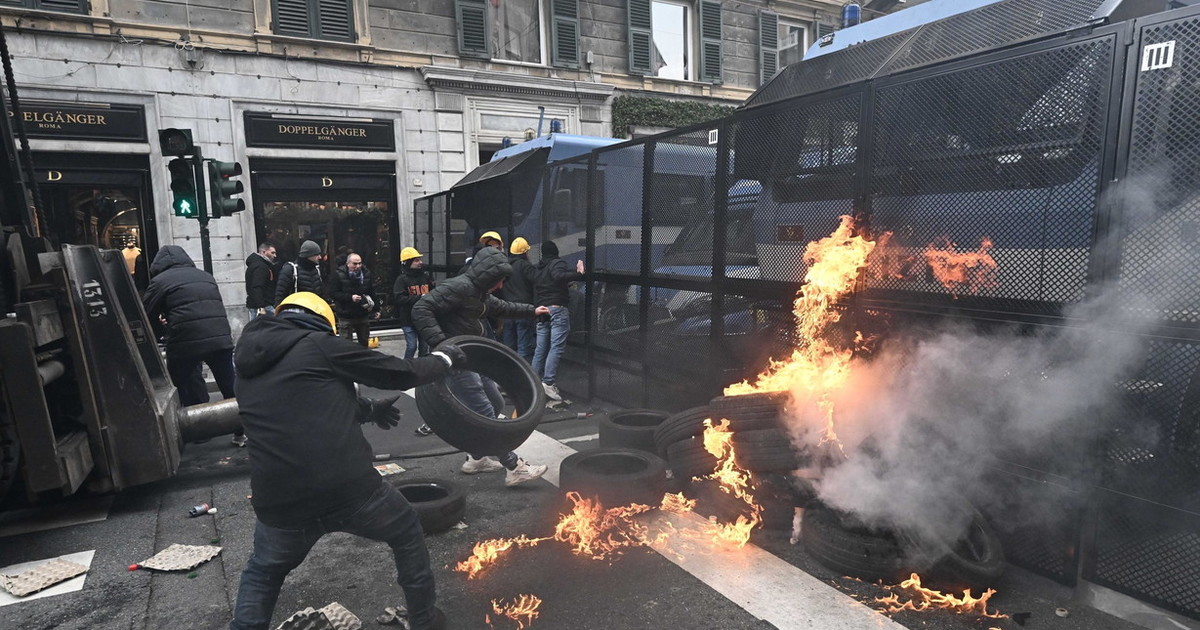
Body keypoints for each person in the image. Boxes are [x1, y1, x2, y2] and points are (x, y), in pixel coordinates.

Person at [229, 292, 465, 630]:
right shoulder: (318, 344)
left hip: (280, 502)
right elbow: (396, 372)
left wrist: (369, 410)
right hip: (348, 489)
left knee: (263, 573)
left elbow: (304, 403)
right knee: (405, 530)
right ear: (322, 322)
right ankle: (424, 620)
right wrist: (444, 360)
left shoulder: (245, 366)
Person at [411, 246, 551, 486]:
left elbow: (503, 307)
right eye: (499, 280)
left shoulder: (479, 293)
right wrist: (441, 343)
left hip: (473, 357)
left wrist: (533, 311)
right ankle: (514, 467)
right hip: (456, 359)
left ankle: (476, 458)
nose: (500, 285)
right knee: (485, 411)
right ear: (488, 276)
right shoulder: (459, 287)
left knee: (496, 402)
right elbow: (421, 308)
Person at [142, 245, 245, 446]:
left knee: (180, 384)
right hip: (219, 337)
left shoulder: (160, 281)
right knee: (229, 385)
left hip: (185, 341)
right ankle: (241, 431)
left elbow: (146, 314)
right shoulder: (205, 276)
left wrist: (161, 332)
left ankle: (197, 430)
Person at [531, 240, 585, 402]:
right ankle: (548, 382)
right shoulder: (557, 263)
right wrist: (578, 273)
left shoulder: (539, 268)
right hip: (557, 309)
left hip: (542, 310)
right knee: (556, 347)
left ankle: (532, 381)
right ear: (555, 251)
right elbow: (558, 276)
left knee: (541, 348)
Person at [498, 237, 537, 362]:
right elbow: (536, 282)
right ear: (524, 252)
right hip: (523, 310)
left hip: (507, 310)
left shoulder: (505, 266)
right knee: (524, 347)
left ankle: (507, 370)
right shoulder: (525, 266)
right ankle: (522, 371)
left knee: (508, 347)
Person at [328, 252, 377, 347]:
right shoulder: (338, 275)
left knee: (364, 343)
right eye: (355, 264)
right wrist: (350, 297)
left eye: (359, 263)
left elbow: (372, 292)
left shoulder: (366, 274)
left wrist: (376, 309)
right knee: (346, 345)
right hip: (346, 314)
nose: (358, 266)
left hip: (362, 313)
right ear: (348, 264)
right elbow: (333, 293)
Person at [274, 240, 324, 304]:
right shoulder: (290, 270)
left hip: (314, 307)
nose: (320, 257)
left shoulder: (317, 269)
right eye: (316, 254)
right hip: (296, 308)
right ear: (308, 255)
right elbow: (280, 295)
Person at [244, 242, 277, 321]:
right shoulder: (260, 266)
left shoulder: (259, 265)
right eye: (272, 253)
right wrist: (261, 306)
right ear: (263, 252)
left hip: (260, 305)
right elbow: (257, 286)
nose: (275, 256)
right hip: (263, 305)